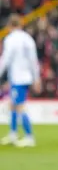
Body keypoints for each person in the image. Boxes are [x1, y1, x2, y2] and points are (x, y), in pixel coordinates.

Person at [0, 14, 40, 148]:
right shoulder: (28, 39)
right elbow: (34, 60)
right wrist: (37, 78)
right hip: (26, 76)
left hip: (18, 77)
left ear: (10, 26)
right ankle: (13, 134)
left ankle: (30, 137)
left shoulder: (10, 39)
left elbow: (6, 59)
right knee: (13, 104)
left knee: (19, 105)